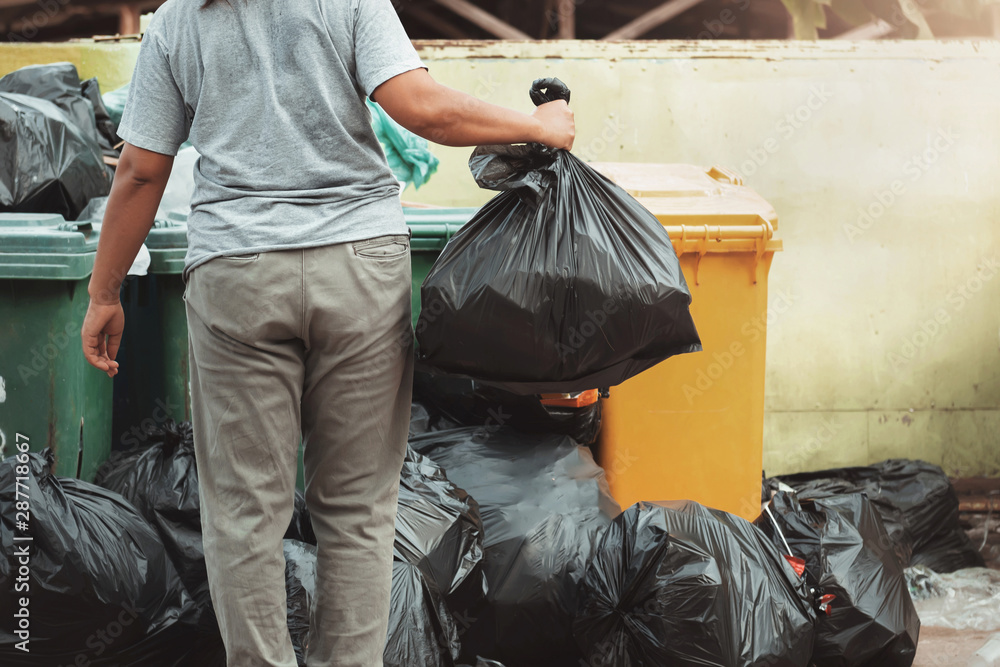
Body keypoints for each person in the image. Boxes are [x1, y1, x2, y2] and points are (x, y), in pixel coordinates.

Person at [79, 1, 574, 666]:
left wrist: (105, 291)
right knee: (358, 508)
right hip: (359, 269)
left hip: (238, 275)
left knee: (246, 512)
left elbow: (142, 169)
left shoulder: (176, 21)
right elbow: (422, 107)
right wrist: (537, 123)